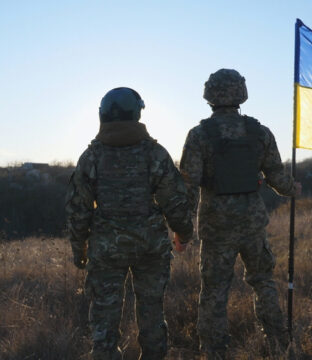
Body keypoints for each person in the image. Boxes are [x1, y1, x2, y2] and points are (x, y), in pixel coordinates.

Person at [180, 69, 301, 359]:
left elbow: (187, 187)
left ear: (209, 94)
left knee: (214, 291)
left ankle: (213, 352)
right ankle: (280, 345)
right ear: (241, 93)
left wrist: (180, 228)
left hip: (216, 229)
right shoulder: (260, 132)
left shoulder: (199, 135)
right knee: (263, 282)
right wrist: (293, 187)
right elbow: (279, 181)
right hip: (252, 226)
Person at [65, 87, 193, 360]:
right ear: (137, 114)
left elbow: (78, 210)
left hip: (106, 250)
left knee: (104, 322)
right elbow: (175, 201)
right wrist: (184, 233)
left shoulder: (92, 156)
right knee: (151, 314)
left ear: (103, 115)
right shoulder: (155, 153)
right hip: (151, 249)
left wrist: (80, 250)